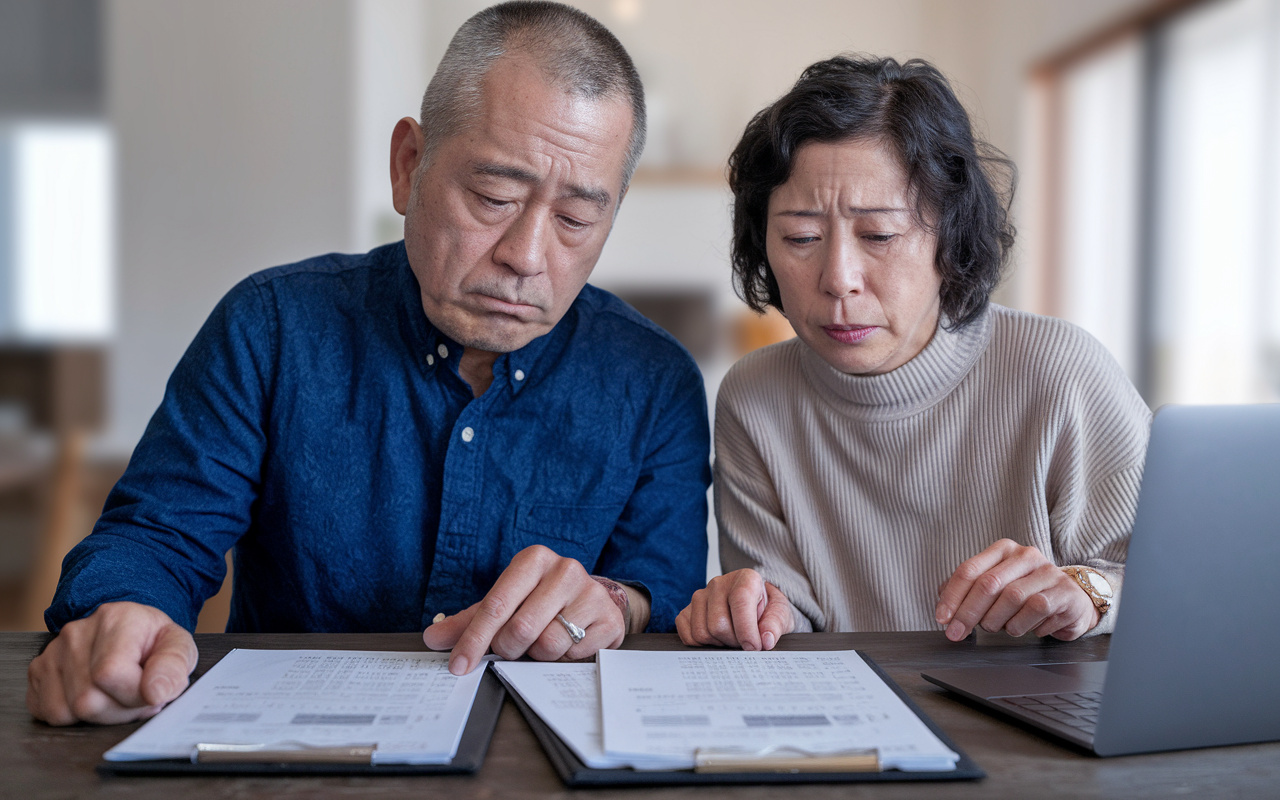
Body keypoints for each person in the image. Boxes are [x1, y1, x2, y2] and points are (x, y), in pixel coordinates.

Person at [28, 1, 711, 727]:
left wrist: (614, 603)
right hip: (287, 750)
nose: (529, 256)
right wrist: (124, 616)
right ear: (408, 166)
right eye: (494, 197)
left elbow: (661, 589)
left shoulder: (653, 381)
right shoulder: (273, 328)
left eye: (577, 219)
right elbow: (158, 536)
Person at [676, 55, 1150, 651]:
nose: (838, 278)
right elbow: (786, 611)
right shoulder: (755, 397)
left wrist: (1086, 590)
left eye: (879, 235)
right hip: (851, 724)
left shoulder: (1058, 370)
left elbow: (1184, 578)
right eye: (800, 237)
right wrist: (752, 607)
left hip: (1035, 722)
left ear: (949, 237)